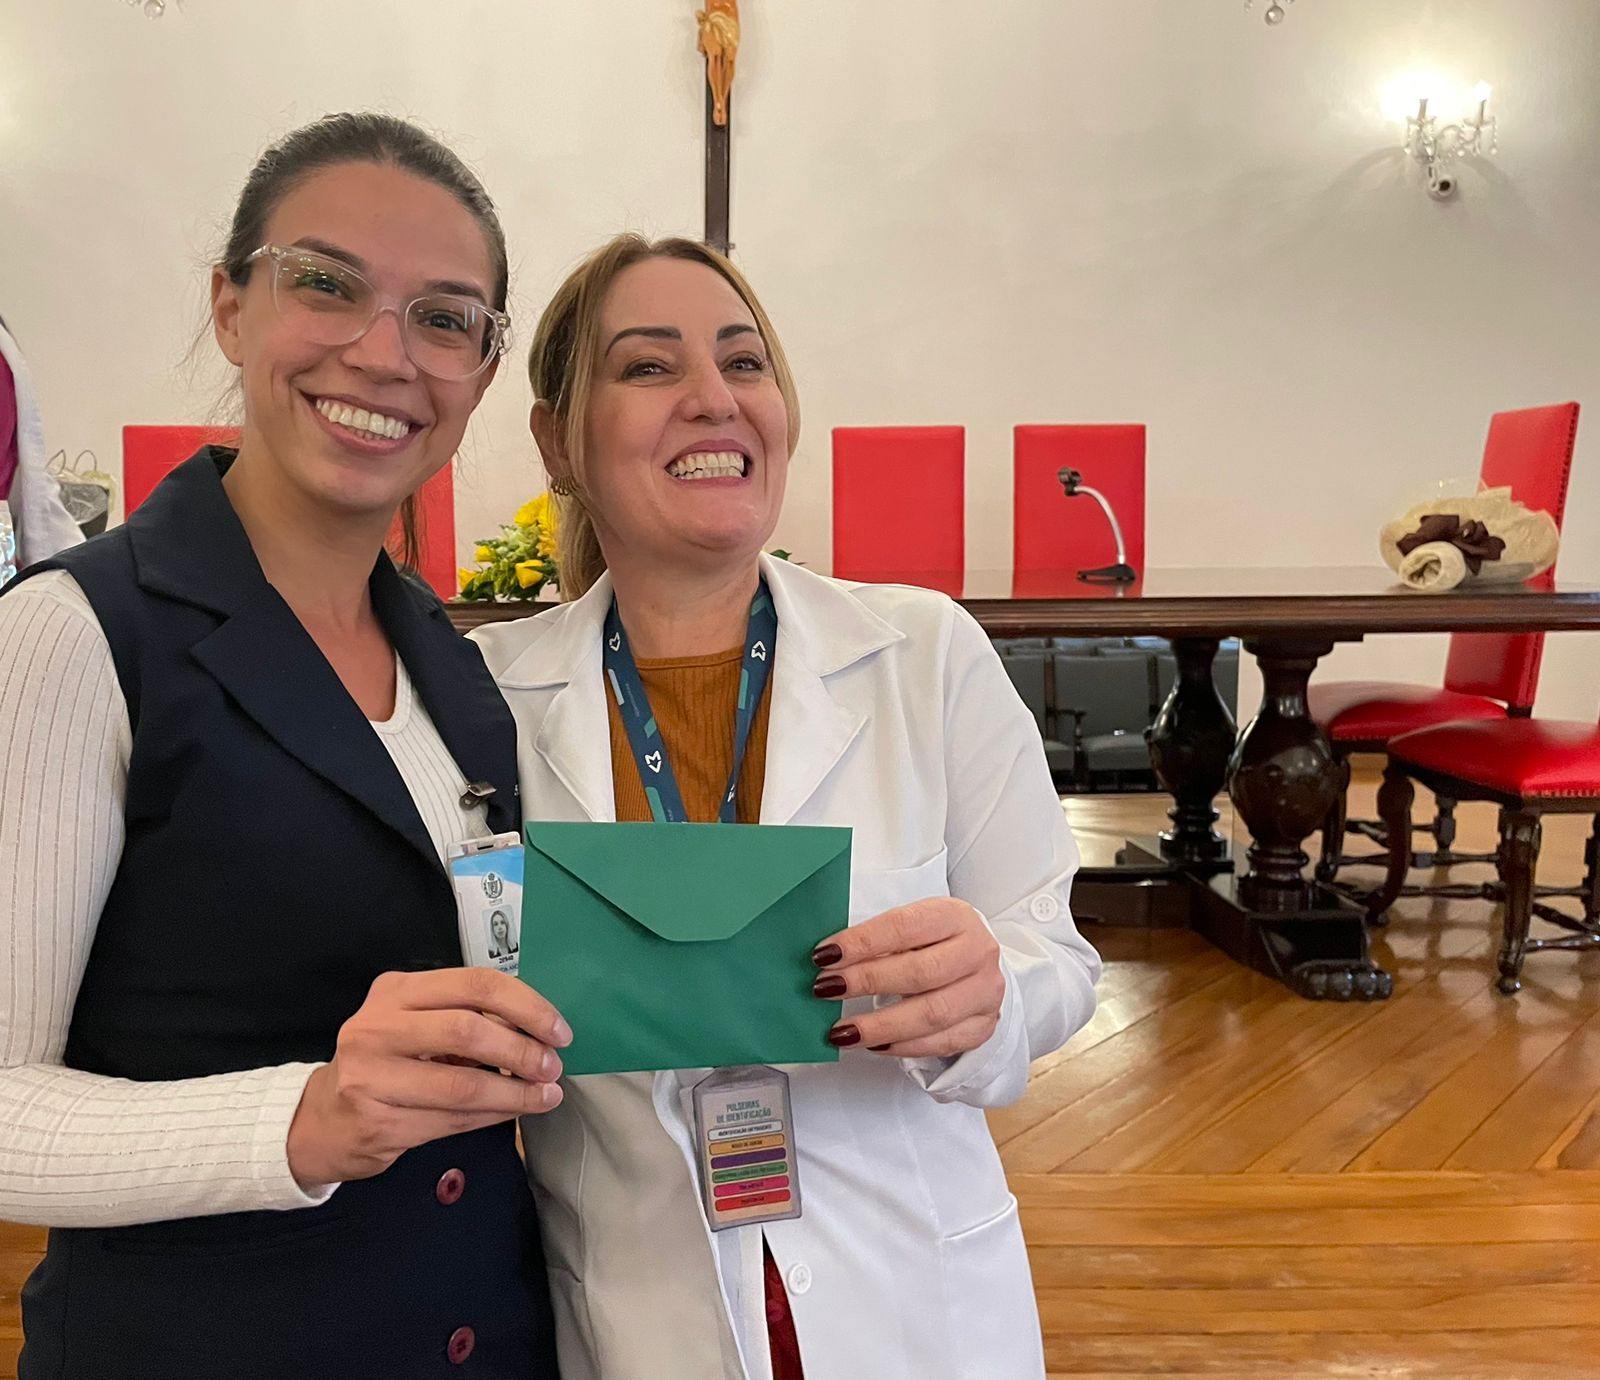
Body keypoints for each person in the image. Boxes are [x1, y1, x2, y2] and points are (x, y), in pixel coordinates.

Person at [471, 234, 1103, 1380]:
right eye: (649, 366)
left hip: (916, 1304)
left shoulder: (922, 653)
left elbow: (1053, 956)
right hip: (637, 1317)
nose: (714, 399)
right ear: (558, 441)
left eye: (743, 361)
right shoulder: (485, 701)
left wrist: (990, 997)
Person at [0, 114, 566, 1378]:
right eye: (326, 284)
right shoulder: (75, 635)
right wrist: (300, 1121)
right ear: (231, 306)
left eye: (444, 318)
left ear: (481, 372)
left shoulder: (456, 671)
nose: (384, 354)